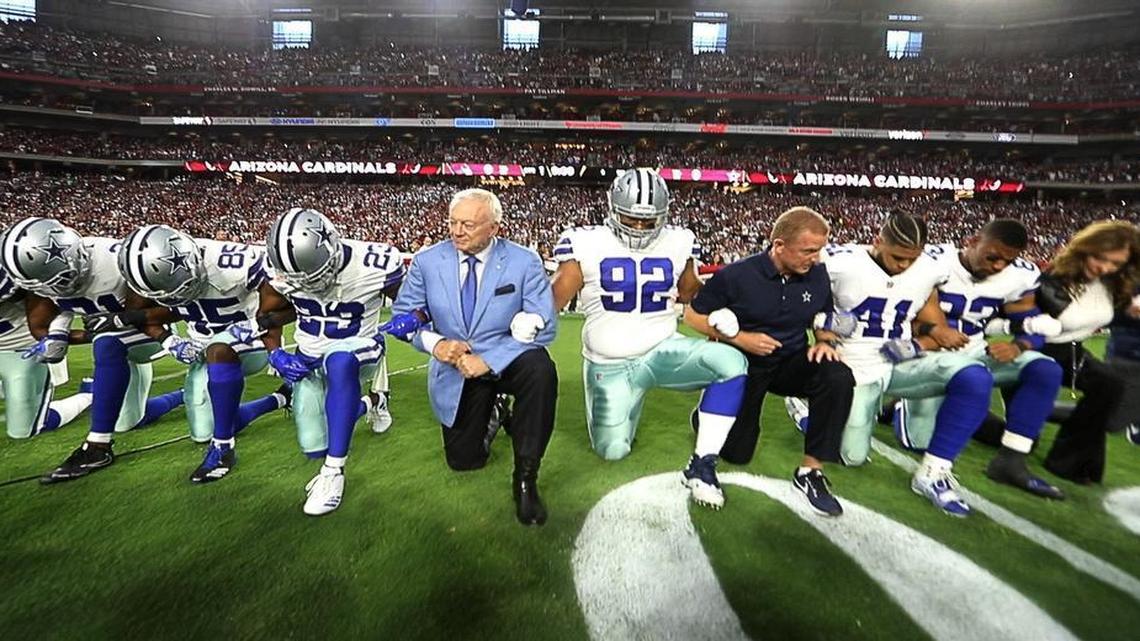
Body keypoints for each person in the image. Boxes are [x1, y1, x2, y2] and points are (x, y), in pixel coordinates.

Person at [551, 169, 747, 510]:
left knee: (731, 363)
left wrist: (720, 308)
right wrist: (527, 323)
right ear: (613, 209)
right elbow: (552, 299)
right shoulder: (585, 242)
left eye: (649, 221)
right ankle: (629, 401)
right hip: (609, 363)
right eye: (632, 218)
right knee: (612, 451)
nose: (640, 228)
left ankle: (702, 463)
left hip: (662, 350)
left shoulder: (679, 240)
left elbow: (690, 292)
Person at [784, 211, 995, 517]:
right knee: (851, 456)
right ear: (878, 240)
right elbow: (799, 302)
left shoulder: (929, 270)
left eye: (913, 258)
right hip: (851, 365)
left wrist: (921, 342)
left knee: (975, 377)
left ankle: (933, 472)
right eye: (898, 257)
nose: (905, 265)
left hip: (898, 363)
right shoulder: (839, 262)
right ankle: (809, 407)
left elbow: (934, 328)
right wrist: (825, 332)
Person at [393, 188, 558, 526]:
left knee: (540, 368)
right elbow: (403, 316)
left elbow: (547, 326)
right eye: (452, 222)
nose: (456, 231)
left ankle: (525, 478)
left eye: (467, 224)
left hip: (509, 359)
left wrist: (490, 360)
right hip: (457, 367)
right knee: (464, 460)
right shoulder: (427, 261)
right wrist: (435, 344)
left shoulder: (524, 261)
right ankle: (497, 409)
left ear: (494, 228)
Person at [684, 206, 854, 516]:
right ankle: (706, 415)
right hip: (746, 365)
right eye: (808, 250)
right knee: (737, 453)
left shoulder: (817, 275)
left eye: (819, 250)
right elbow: (692, 315)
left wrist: (825, 341)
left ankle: (810, 473)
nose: (815, 258)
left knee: (837, 375)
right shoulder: (737, 275)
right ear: (778, 245)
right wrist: (739, 339)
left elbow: (823, 317)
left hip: (791, 361)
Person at [93, 224, 290, 483]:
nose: (177, 296)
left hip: (249, 341)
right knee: (203, 430)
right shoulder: (145, 275)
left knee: (218, 355)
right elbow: (140, 315)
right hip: (203, 349)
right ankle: (280, 397)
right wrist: (168, 340)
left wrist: (264, 332)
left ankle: (223, 447)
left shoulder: (236, 262)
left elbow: (288, 306)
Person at [0, 217, 185, 482]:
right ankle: (182, 395)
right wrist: (60, 336)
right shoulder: (37, 274)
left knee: (108, 342)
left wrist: (118, 321)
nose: (58, 287)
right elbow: (40, 327)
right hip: (109, 340)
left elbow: (174, 310)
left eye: (62, 278)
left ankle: (97, 447)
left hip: (148, 337)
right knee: (129, 420)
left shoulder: (119, 259)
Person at [247, 207, 404, 515]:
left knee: (340, 359)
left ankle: (333, 473)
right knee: (314, 444)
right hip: (309, 356)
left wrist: (413, 320)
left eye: (316, 276)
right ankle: (373, 401)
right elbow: (267, 317)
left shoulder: (375, 262)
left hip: (360, 348)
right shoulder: (277, 271)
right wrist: (275, 353)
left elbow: (413, 302)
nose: (310, 285)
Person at [895, 219, 1065, 499]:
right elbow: (896, 313)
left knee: (1045, 369)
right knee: (918, 441)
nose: (998, 266)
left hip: (975, 351)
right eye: (993, 257)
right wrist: (935, 331)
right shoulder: (932, 262)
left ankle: (1011, 461)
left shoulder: (1019, 276)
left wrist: (1019, 346)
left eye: (1007, 261)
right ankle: (895, 408)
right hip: (928, 352)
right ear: (973, 241)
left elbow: (1032, 323)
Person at [1035, 220, 1140, 484]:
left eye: (1116, 264)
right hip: (1038, 350)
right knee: (1018, 434)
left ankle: (1073, 464)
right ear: (1086, 248)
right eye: (1101, 258)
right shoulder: (1054, 276)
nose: (1105, 268)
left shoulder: (1109, 283)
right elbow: (1067, 319)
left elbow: (1102, 319)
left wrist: (1127, 310)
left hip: (1071, 351)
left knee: (1111, 386)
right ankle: (1073, 463)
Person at [0, 264, 93, 439]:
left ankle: (88, 396)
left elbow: (53, 302)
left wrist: (55, 335)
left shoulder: (15, 267)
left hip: (21, 348)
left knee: (25, 429)